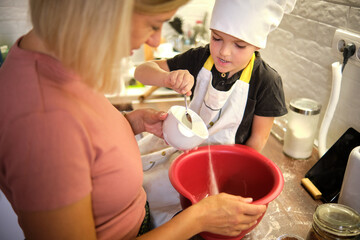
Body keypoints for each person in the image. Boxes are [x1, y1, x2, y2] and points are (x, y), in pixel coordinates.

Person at [0, 0, 266, 240]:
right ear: (103, 10)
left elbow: (82, 141)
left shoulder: (60, 64)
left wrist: (127, 123)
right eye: (154, 24)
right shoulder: (43, 122)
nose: (155, 41)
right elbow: (62, 141)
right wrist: (198, 219)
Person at [134, 0, 297, 228]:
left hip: (224, 169)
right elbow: (140, 71)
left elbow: (257, 141)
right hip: (181, 152)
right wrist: (167, 79)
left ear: (257, 45)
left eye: (239, 45)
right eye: (216, 38)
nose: (223, 51)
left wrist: (230, 180)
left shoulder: (266, 82)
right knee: (142, 191)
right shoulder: (199, 59)